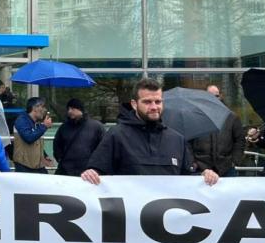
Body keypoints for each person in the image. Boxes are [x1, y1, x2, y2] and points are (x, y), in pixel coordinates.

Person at [81, 78, 219, 185]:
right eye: (147, 102)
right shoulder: (116, 135)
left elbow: (187, 178)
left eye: (158, 102)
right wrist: (91, 173)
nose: (154, 107)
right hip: (128, 213)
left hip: (169, 213)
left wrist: (202, 176)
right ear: (134, 104)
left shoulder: (177, 139)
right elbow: (97, 172)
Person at [191, 85, 245, 177]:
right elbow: (188, 141)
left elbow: (240, 140)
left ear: (221, 96)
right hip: (201, 169)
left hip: (226, 168)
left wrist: (235, 161)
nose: (213, 99)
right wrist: (193, 162)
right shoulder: (195, 117)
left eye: (216, 96)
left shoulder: (231, 117)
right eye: (209, 95)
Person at [53, 98, 104, 176]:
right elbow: (57, 145)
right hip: (66, 171)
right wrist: (60, 159)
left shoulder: (96, 127)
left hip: (88, 173)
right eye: (68, 109)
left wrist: (95, 167)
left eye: (73, 108)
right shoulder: (64, 127)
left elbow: (103, 148)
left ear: (80, 109)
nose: (69, 111)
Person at [12, 96, 53, 173]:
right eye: (42, 107)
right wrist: (44, 126)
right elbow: (29, 138)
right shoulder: (21, 120)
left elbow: (36, 141)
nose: (44, 110)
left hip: (37, 166)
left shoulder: (36, 122)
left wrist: (44, 155)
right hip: (25, 167)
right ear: (35, 108)